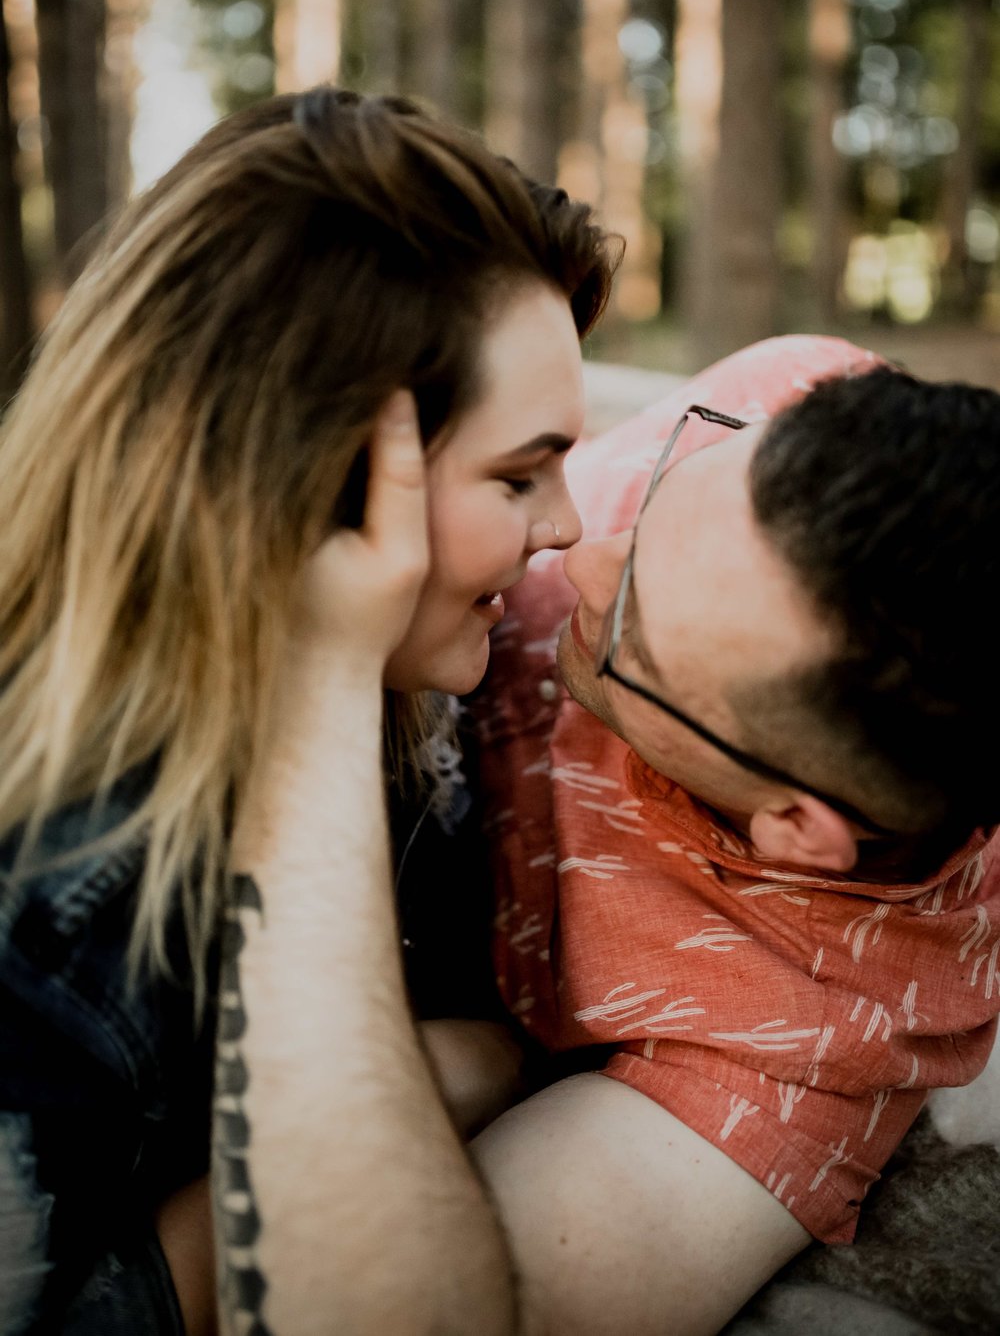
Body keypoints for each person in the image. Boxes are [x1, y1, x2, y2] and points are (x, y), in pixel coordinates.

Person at [0, 86, 618, 1335]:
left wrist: (467, 1060)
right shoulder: (55, 917)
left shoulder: (430, 696)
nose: (566, 527)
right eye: (519, 473)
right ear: (330, 489)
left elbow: (485, 1024)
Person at [466, 333, 1000, 1334]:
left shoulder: (781, 1065)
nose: (580, 554)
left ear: (797, 827)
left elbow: (431, 1307)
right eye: (661, 497)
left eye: (630, 624)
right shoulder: (796, 394)